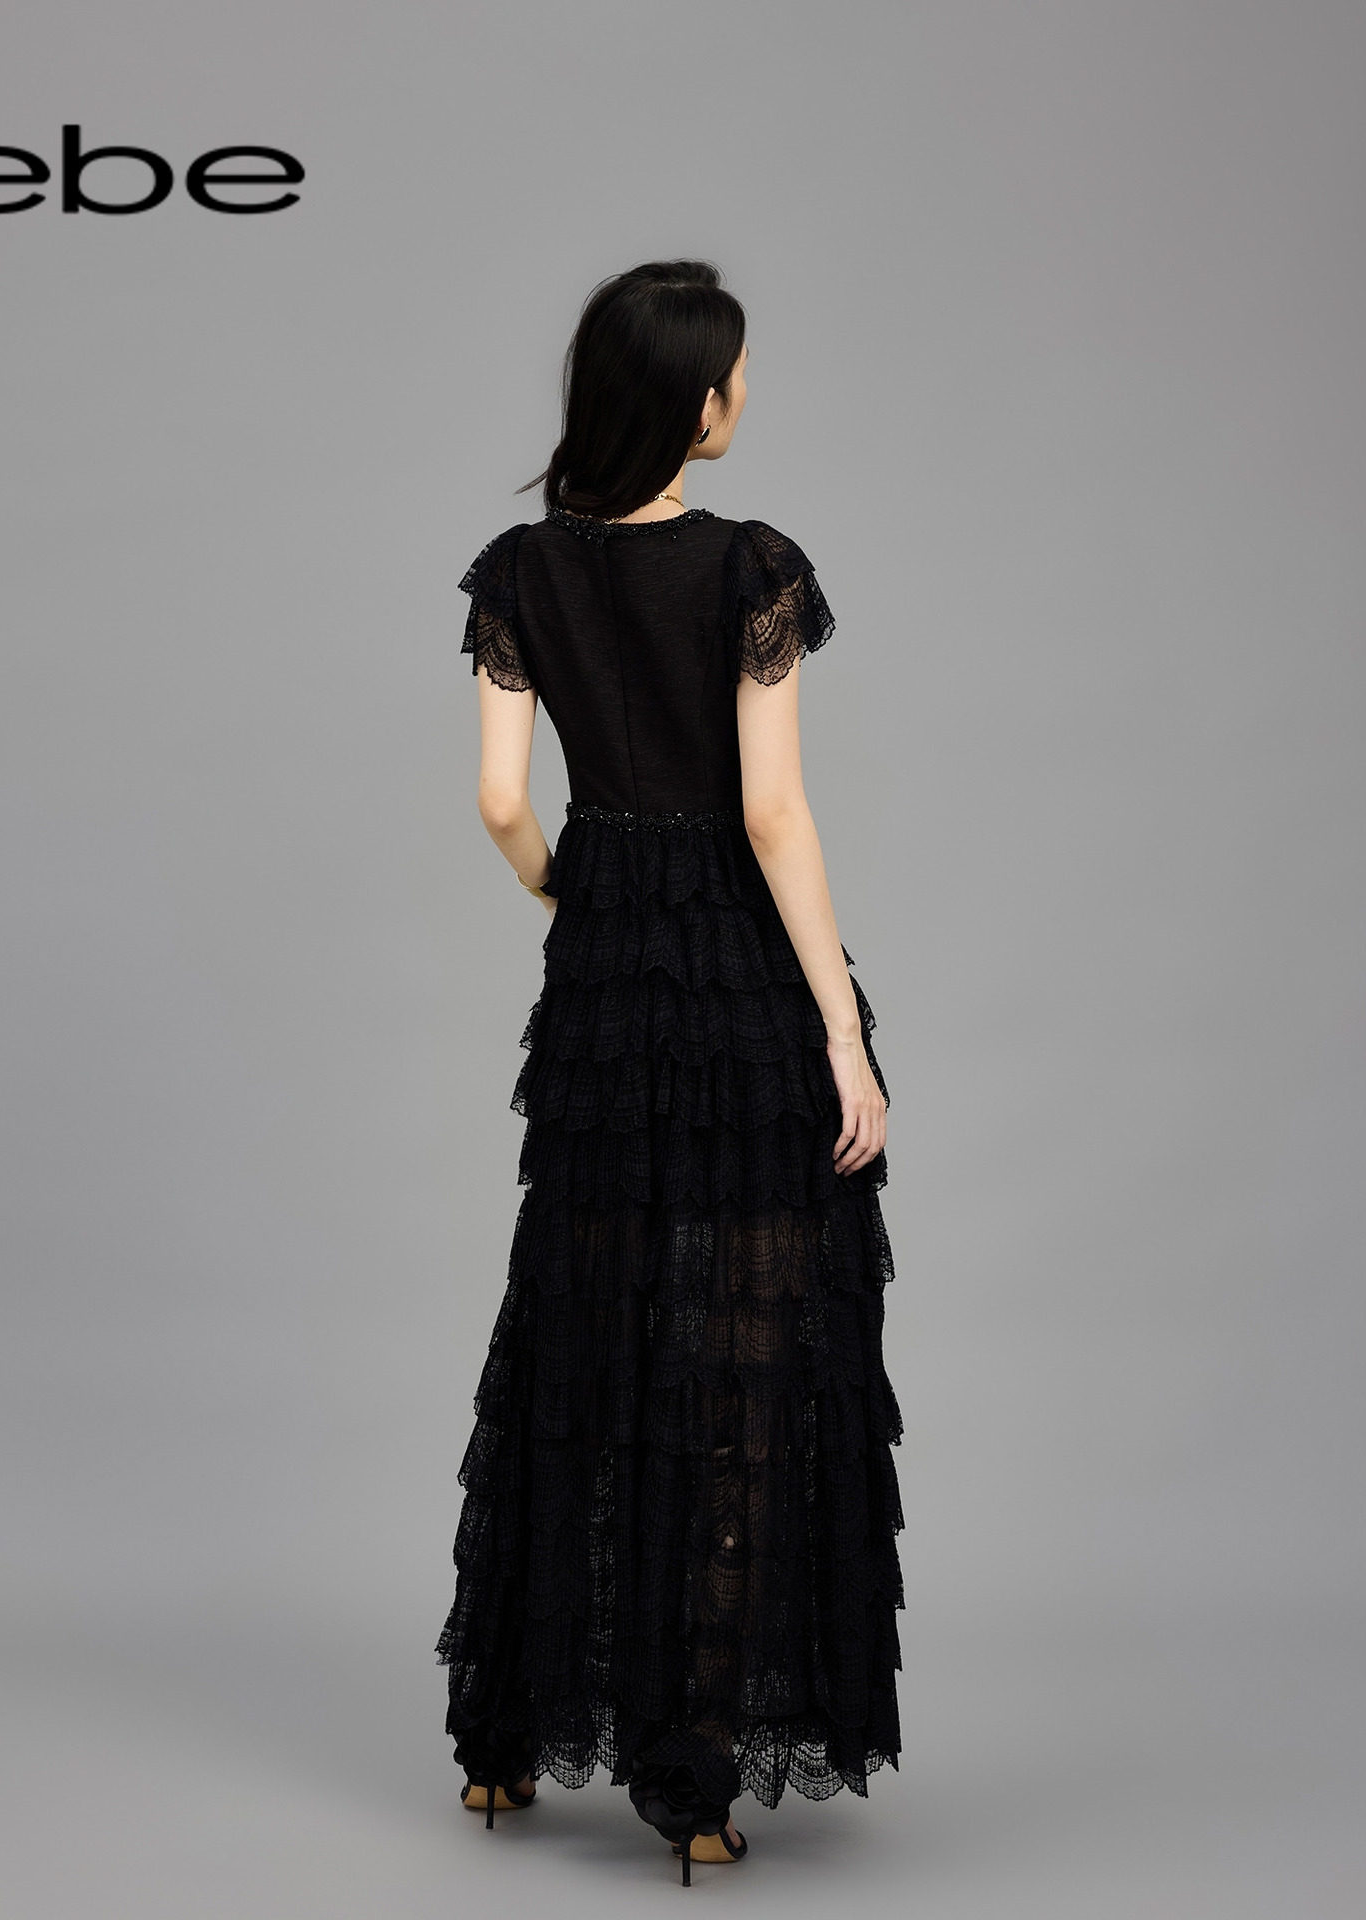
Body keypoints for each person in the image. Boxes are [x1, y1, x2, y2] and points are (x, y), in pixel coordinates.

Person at [435, 259, 903, 1888]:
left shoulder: (518, 572)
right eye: (737, 375)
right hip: (736, 980)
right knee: (742, 1354)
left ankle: (505, 1740)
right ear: (699, 404)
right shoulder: (751, 566)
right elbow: (773, 813)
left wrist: (569, 896)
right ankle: (689, 1774)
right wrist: (839, 1025)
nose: (747, 394)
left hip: (601, 989)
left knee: (583, 1323)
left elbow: (503, 802)